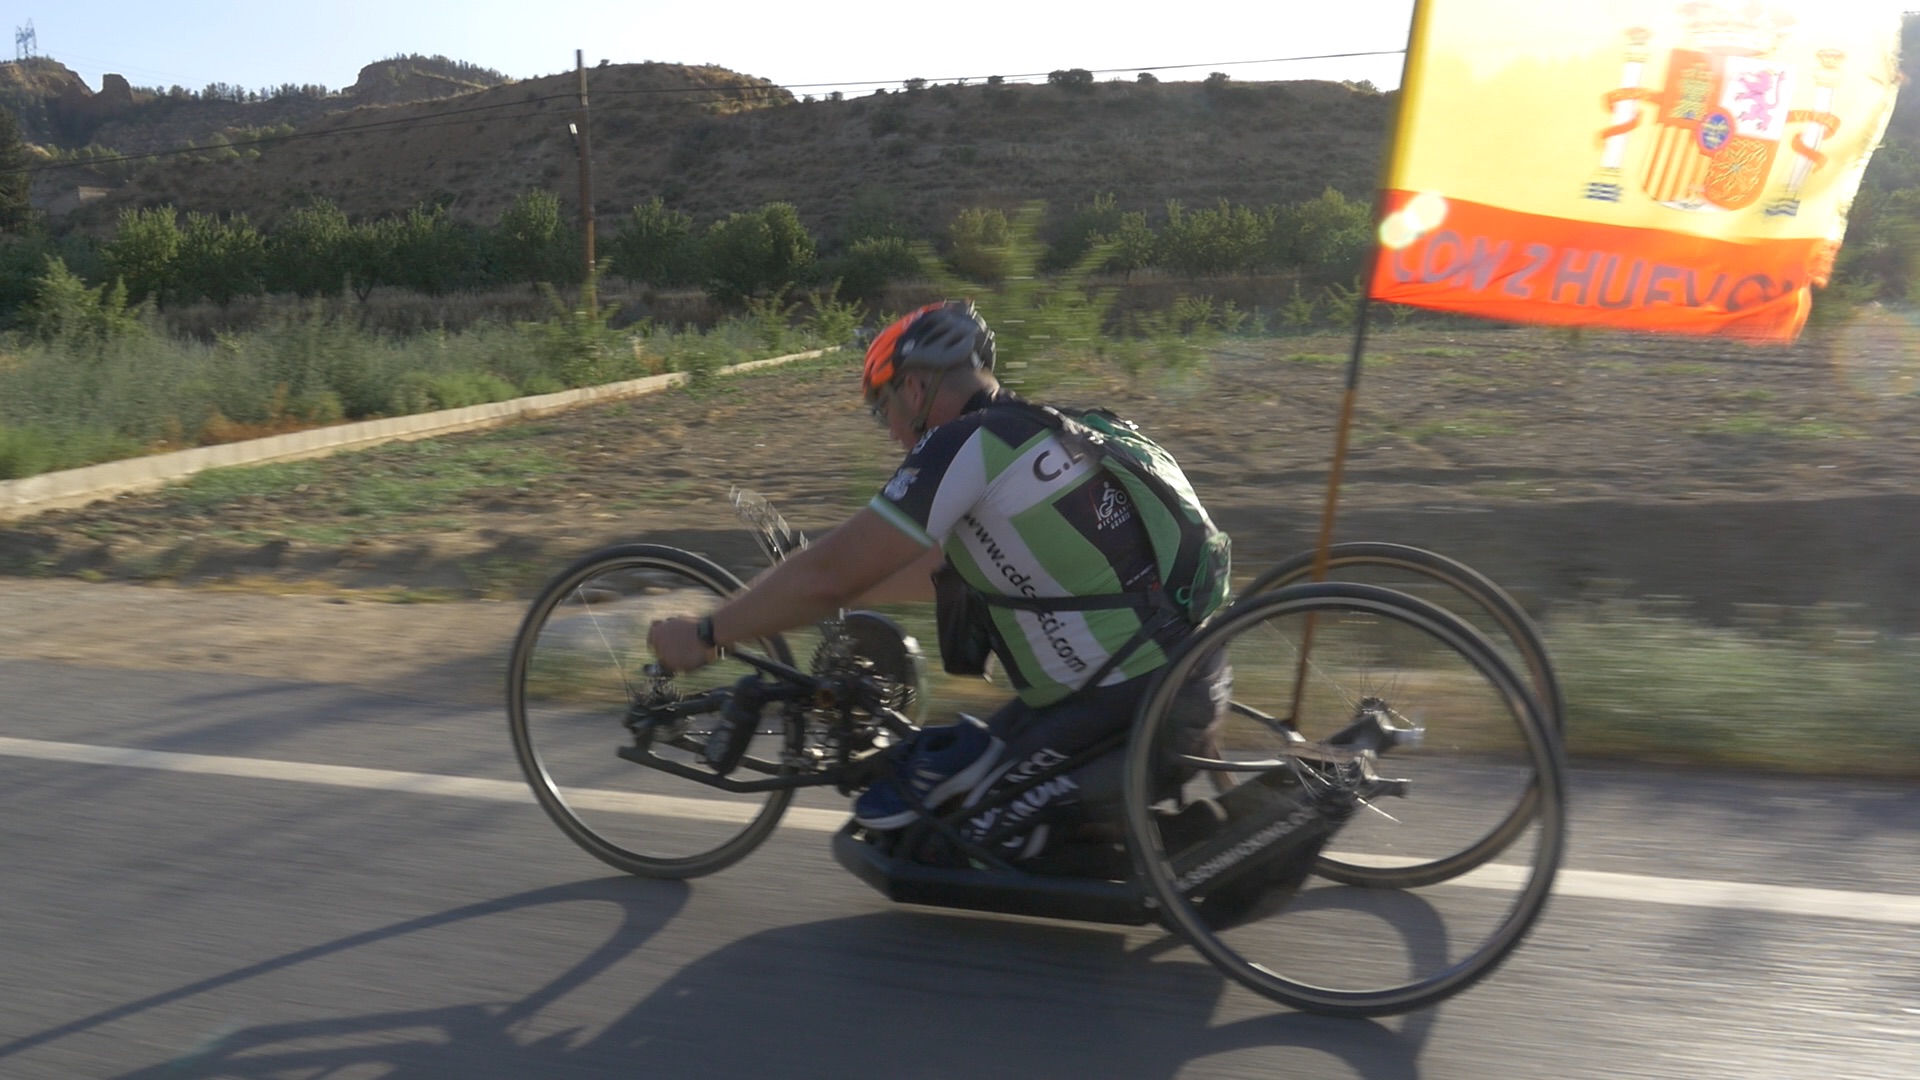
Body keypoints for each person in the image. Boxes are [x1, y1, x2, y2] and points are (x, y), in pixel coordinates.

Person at [648, 300, 1229, 864]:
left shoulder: (963, 444)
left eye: (884, 410)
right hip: (1177, 678)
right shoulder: (1045, 430)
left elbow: (827, 579)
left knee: (957, 841)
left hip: (1128, 701)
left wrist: (707, 633)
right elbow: (928, 571)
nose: (891, 433)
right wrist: (785, 595)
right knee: (917, 805)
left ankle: (1183, 860)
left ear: (915, 388)